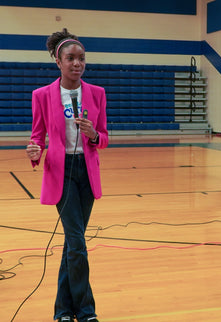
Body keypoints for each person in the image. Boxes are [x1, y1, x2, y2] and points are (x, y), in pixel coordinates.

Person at [25, 28, 107, 322]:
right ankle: (86, 312)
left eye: (81, 59)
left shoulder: (97, 93)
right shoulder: (42, 95)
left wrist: (94, 134)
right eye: (71, 58)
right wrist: (35, 151)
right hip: (62, 173)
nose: (77, 64)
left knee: (74, 245)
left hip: (87, 171)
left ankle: (62, 311)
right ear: (57, 61)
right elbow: (37, 136)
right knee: (77, 244)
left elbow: (105, 138)